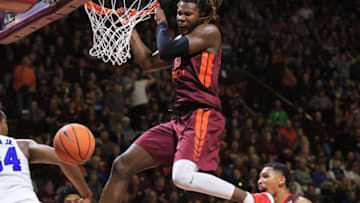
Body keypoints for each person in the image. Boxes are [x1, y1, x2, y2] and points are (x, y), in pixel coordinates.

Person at [99, 1, 274, 202]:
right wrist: (129, 26)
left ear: (202, 15)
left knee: (181, 177)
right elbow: (147, 63)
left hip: (202, 115)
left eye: (188, 14)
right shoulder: (181, 43)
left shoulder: (209, 32)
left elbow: (165, 50)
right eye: (179, 13)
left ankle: (253, 200)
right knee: (122, 166)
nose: (181, 17)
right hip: (179, 120)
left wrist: (162, 22)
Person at [0, 110, 92, 203]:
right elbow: (63, 159)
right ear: (1, 122)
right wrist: (86, 194)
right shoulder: (21, 145)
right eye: (5, 123)